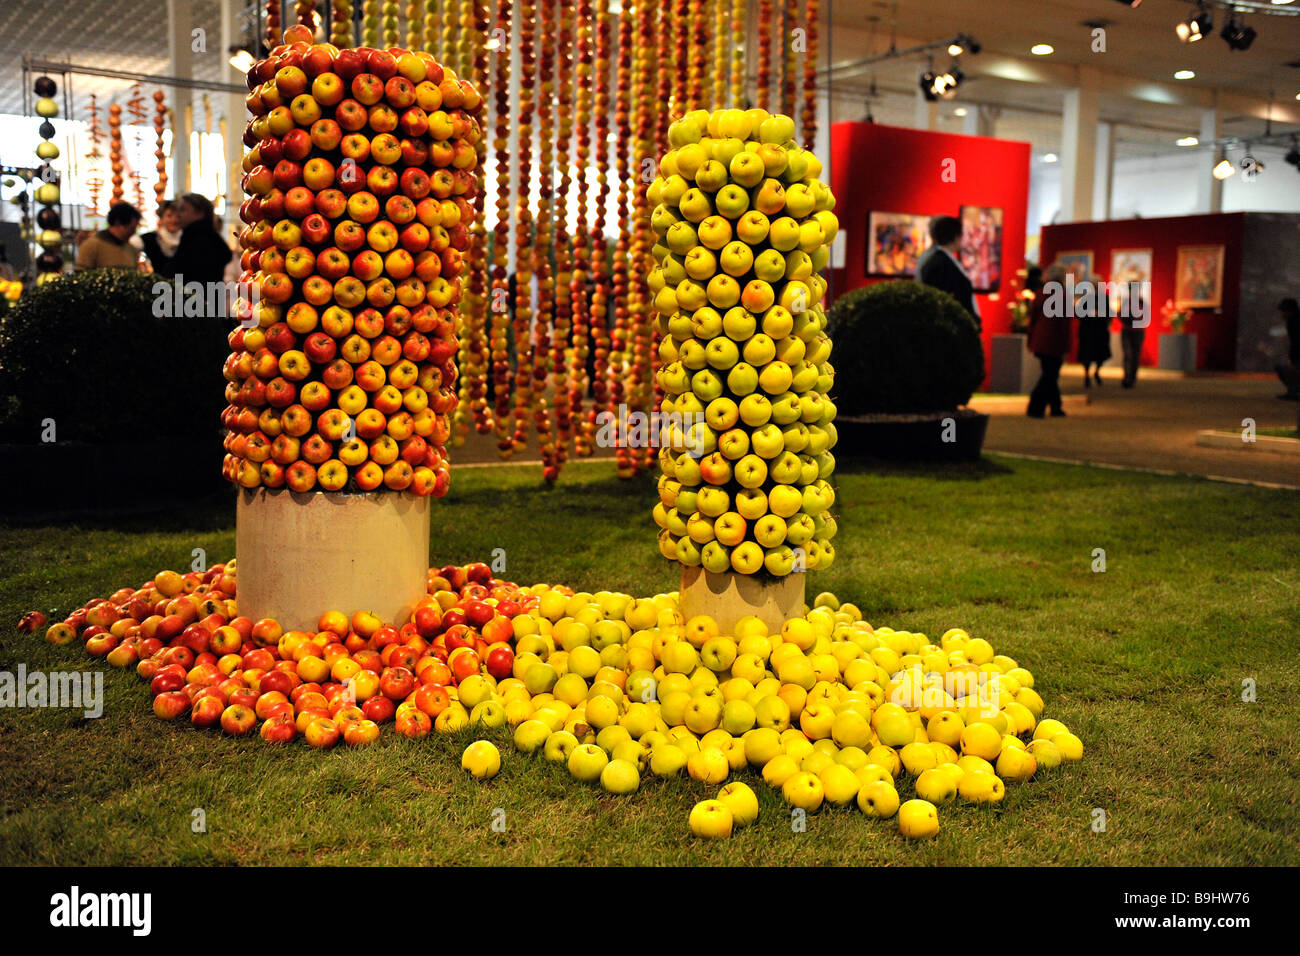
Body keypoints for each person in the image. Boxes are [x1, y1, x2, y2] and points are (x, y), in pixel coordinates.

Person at [916, 215, 980, 328]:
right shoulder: (940, 264)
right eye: (961, 235)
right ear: (955, 237)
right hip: (950, 327)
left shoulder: (939, 260)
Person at [1026, 264, 1070, 418]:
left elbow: (1033, 319)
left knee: (1049, 374)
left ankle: (1055, 406)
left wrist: (1030, 340)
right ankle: (1035, 407)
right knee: (1050, 375)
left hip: (1040, 339)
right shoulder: (1063, 296)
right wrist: (1066, 346)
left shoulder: (1040, 293)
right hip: (1054, 342)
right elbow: (1064, 324)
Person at [170, 193, 232, 285]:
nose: (178, 215)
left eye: (182, 210)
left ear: (200, 213)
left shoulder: (196, 238)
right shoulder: (210, 236)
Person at [74, 202, 141, 271]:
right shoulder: (92, 246)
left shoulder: (131, 249)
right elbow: (81, 274)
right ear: (117, 223)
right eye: (131, 228)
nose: (133, 232)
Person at [1075, 272, 1111, 388]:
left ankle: (1096, 372)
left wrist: (1102, 317)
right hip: (1088, 330)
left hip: (1100, 330)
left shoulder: (1104, 297)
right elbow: (1078, 314)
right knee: (1087, 354)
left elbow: (1109, 314)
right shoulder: (1084, 298)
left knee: (1101, 354)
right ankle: (1086, 375)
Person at [137, 201, 182, 277]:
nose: (174, 220)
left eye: (178, 216)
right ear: (162, 218)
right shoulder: (150, 238)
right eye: (169, 216)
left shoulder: (189, 238)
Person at [1119, 288, 1148, 389]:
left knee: (1135, 355)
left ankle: (1132, 377)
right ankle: (1127, 377)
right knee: (1128, 354)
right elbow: (1120, 315)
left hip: (1138, 331)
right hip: (1127, 331)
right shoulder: (1126, 301)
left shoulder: (1142, 302)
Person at [1276, 298, 1300, 401]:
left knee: (1284, 369)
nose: (1282, 314)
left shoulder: (1295, 322)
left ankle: (1294, 391)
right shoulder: (1293, 321)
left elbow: (1297, 343)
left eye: (1283, 311)